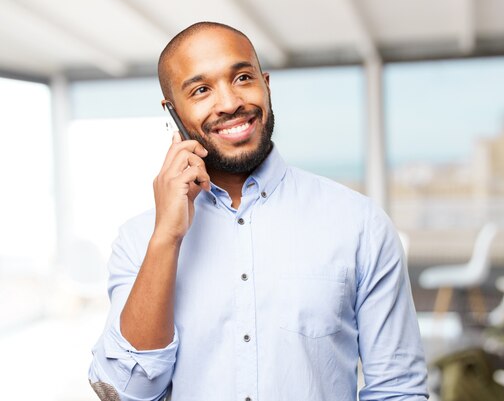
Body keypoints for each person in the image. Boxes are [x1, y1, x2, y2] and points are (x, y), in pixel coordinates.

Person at [88, 21, 429, 401]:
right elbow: (124, 394)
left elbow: (398, 390)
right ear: (173, 113)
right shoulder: (139, 241)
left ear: (266, 85)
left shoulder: (359, 224)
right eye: (201, 90)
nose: (230, 103)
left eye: (243, 78)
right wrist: (167, 238)